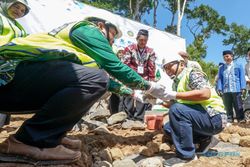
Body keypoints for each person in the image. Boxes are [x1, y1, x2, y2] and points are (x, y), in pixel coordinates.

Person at [0, 16, 165, 165]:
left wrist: (131, 92)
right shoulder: (86, 29)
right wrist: (149, 86)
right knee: (98, 79)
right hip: (9, 76)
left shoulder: (80, 48)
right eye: (112, 35)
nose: (113, 41)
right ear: (101, 26)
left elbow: (104, 83)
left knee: (97, 81)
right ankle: (30, 140)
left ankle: (52, 136)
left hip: (20, 82)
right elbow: (114, 67)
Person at [157, 54, 226, 165]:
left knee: (176, 110)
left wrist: (174, 95)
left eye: (170, 66)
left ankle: (186, 156)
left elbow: (205, 94)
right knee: (169, 128)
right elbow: (178, 104)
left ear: (182, 64)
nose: (167, 70)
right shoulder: (177, 83)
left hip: (214, 117)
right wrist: (157, 101)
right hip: (203, 118)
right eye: (165, 68)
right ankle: (205, 139)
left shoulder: (192, 73)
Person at [0, 0, 30, 128]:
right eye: (16, 7)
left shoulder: (16, 24)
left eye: (23, 10)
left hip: (9, 68)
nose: (19, 11)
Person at [122, 29, 156, 122]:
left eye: (145, 40)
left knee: (142, 97)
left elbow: (151, 67)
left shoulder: (150, 52)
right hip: (130, 76)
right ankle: (127, 117)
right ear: (137, 39)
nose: (143, 42)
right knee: (128, 93)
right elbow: (125, 64)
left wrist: (151, 81)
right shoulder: (129, 49)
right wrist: (126, 77)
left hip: (143, 78)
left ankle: (139, 118)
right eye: (141, 40)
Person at [217, 50, 246, 123]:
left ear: (232, 56)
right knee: (228, 106)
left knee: (238, 105)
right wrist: (219, 88)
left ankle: (241, 119)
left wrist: (243, 87)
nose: (226, 58)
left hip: (236, 89)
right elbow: (220, 79)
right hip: (226, 90)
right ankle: (230, 119)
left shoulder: (238, 65)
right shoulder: (221, 68)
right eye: (224, 57)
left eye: (227, 56)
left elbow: (242, 77)